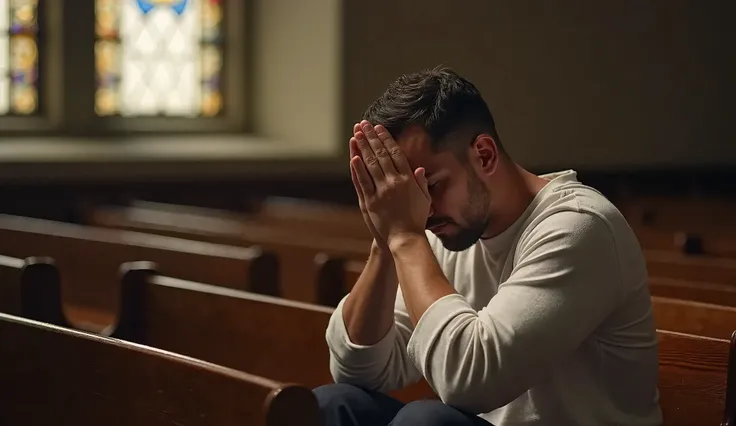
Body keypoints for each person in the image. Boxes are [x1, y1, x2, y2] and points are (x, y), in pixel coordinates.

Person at [314, 66, 663, 426]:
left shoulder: (580, 226)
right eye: (406, 195)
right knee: (334, 405)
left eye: (430, 186)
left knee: (426, 422)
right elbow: (358, 372)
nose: (421, 210)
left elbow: (471, 382)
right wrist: (385, 241)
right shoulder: (435, 231)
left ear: (483, 155)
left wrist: (404, 236)